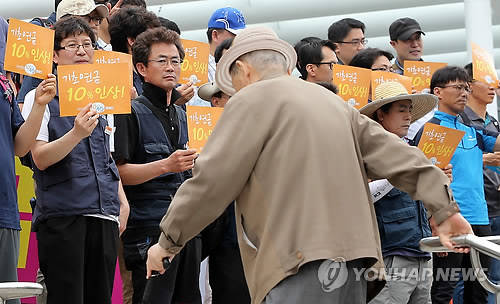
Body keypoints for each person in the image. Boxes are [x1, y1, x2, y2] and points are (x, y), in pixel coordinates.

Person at [146, 26, 473, 304]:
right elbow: (402, 157)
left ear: (244, 70)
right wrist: (446, 209)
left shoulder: (250, 100)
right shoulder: (333, 103)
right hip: (356, 265)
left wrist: (168, 242)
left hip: (297, 262)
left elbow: (210, 182)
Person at [20, 16, 129, 304]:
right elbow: (39, 158)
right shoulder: (39, 97)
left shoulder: (103, 99)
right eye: (72, 45)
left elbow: (108, 156)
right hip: (63, 214)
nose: (82, 51)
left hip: (104, 213)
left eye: (87, 44)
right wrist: (76, 134)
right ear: (55, 55)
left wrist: (122, 200)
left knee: (100, 297)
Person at [113, 27, 201, 304]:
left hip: (186, 226)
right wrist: (165, 165)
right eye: (161, 61)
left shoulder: (182, 113)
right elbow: (119, 173)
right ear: (141, 67)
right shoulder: (129, 112)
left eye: (175, 61)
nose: (170, 68)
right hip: (149, 229)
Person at [412, 66, 498, 304]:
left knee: (480, 288)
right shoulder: (432, 130)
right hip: (450, 218)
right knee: (444, 287)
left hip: (480, 219)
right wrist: (434, 220)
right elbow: (422, 182)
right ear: (437, 92)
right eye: (458, 87)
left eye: (467, 88)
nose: (464, 93)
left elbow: (497, 144)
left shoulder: (472, 129)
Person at [360, 81, 438, 304]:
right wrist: (400, 174)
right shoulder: (366, 152)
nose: (408, 116)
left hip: (422, 252)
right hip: (391, 254)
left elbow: (423, 206)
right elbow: (363, 195)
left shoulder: (411, 150)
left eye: (409, 109)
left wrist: (436, 181)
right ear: (381, 115)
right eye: (401, 109)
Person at [0, 25, 56, 304]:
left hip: (4, 207)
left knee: (7, 295)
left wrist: (39, 105)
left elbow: (20, 146)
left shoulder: (5, 81)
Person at [459, 63, 500, 304]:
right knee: (471, 279)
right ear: (469, 85)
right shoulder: (460, 120)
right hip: (473, 209)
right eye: (487, 80)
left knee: (490, 278)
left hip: (492, 207)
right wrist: (483, 159)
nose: (493, 86)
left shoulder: (492, 122)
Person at [187, 7, 246, 107]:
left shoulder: (243, 64)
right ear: (215, 35)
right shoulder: (194, 66)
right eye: (235, 36)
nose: (239, 41)